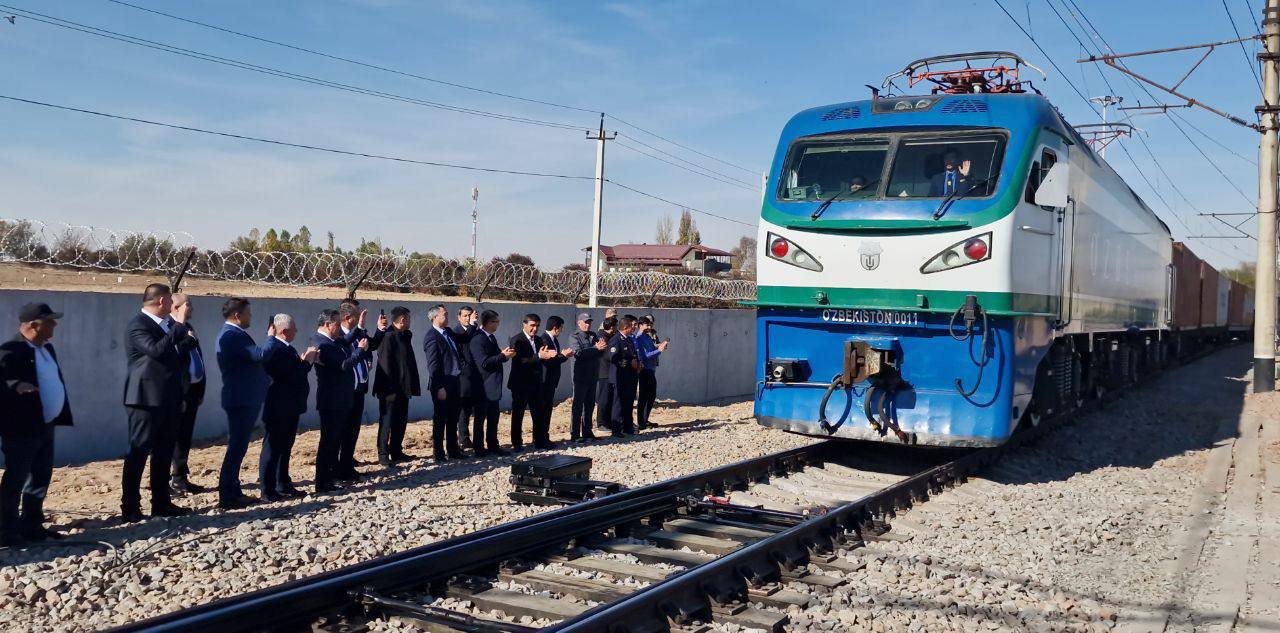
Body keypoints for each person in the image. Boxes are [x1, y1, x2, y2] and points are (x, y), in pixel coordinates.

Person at [122, 283, 196, 522]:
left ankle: (161, 503)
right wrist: (181, 326)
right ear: (163, 302)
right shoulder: (138, 325)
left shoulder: (165, 326)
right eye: (170, 302)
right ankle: (130, 506)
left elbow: (172, 354)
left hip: (168, 398)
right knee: (139, 451)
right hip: (145, 398)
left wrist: (187, 341)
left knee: (164, 452)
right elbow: (155, 350)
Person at [0, 303, 72, 546]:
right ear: (33, 325)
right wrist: (16, 386)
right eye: (50, 321)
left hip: (45, 424)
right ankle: (7, 530)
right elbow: (4, 380)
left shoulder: (46, 349)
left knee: (40, 476)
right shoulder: (12, 351)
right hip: (22, 428)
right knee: (16, 478)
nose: (55, 325)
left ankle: (32, 524)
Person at [214, 298, 271, 510]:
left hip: (244, 397)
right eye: (248, 313)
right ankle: (228, 494)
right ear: (237, 315)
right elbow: (259, 354)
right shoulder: (231, 336)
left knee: (239, 446)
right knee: (236, 447)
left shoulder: (234, 335)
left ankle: (232, 490)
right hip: (240, 398)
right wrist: (272, 338)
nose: (250, 317)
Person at [260, 314, 317, 500]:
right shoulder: (275, 349)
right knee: (273, 448)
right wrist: (307, 361)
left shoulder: (286, 348)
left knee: (285, 447)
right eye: (293, 329)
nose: (297, 331)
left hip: (290, 406)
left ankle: (282, 482)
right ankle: (268, 489)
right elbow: (290, 375)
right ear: (284, 331)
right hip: (279, 407)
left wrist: (302, 362)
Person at [312, 309, 368, 494]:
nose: (340, 328)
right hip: (332, 400)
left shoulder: (330, 340)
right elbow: (343, 365)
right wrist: (360, 350)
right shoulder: (323, 344)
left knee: (333, 441)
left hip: (339, 399)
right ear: (328, 324)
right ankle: (323, 481)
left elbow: (344, 341)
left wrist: (359, 327)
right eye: (337, 324)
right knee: (328, 443)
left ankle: (329, 477)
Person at [337, 302, 386, 481]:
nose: (360, 319)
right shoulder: (338, 335)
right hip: (345, 391)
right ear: (347, 318)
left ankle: (348, 464)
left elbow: (371, 345)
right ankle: (340, 467)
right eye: (357, 316)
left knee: (353, 430)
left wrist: (379, 330)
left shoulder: (359, 332)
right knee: (343, 430)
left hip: (359, 388)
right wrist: (359, 329)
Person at [169, 293, 209, 495]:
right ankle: (173, 480)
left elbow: (197, 358)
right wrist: (187, 341)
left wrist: (200, 387)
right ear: (175, 307)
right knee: (174, 437)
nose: (191, 308)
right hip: (177, 393)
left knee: (185, 437)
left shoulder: (189, 328)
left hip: (192, 391)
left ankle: (181, 476)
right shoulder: (169, 328)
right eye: (187, 305)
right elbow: (172, 354)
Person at [374, 306, 421, 466]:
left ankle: (396, 451)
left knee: (401, 421)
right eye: (408, 319)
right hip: (389, 389)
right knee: (387, 422)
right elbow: (385, 364)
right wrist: (390, 388)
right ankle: (383, 454)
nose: (410, 322)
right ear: (402, 320)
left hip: (403, 388)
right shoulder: (388, 336)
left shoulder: (403, 335)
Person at [507, 314, 558, 451]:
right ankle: (517, 443)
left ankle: (539, 441)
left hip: (536, 383)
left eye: (537, 326)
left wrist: (549, 356)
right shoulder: (517, 340)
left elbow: (542, 358)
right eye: (532, 325)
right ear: (524, 324)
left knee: (538, 413)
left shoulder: (539, 340)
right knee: (518, 414)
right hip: (520, 384)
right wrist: (539, 356)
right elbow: (521, 360)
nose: (534, 329)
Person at [422, 304, 465, 462]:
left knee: (453, 417)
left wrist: (473, 325)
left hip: (454, 381)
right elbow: (433, 365)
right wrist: (439, 386)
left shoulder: (449, 332)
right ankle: (438, 453)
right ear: (435, 317)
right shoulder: (431, 337)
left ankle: (453, 450)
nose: (447, 317)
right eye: (444, 315)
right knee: (440, 419)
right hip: (442, 384)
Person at [468, 310, 514, 457]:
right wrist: (502, 356)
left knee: (493, 418)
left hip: (493, 385)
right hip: (483, 385)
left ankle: (493, 445)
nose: (497, 324)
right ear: (487, 323)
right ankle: (479, 448)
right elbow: (484, 362)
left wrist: (504, 355)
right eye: (495, 321)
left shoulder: (490, 337)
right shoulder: (478, 339)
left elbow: (494, 358)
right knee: (480, 419)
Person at [534, 316, 574, 449]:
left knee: (547, 410)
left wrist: (561, 356)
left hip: (551, 381)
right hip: (545, 381)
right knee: (543, 411)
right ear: (555, 328)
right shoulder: (544, 340)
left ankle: (544, 437)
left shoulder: (553, 340)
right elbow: (548, 360)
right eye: (561, 328)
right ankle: (540, 439)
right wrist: (563, 356)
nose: (561, 331)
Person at [569, 312, 606, 442]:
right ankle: (574, 434)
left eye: (589, 322)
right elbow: (578, 354)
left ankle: (587, 431)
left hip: (592, 374)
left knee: (590, 405)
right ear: (579, 323)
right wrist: (595, 348)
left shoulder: (593, 335)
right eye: (585, 322)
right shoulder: (575, 336)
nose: (588, 324)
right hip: (580, 376)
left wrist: (601, 349)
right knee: (578, 405)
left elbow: (599, 353)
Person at [608, 315, 642, 437]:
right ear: (626, 327)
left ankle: (627, 427)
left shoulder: (628, 339)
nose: (634, 328)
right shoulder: (616, 339)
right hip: (620, 377)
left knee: (628, 402)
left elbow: (632, 355)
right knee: (618, 404)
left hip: (630, 376)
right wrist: (628, 363)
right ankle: (616, 430)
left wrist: (637, 363)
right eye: (632, 326)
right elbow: (613, 358)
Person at [634, 316, 669, 430]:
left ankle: (645, 419)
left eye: (650, 325)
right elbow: (644, 356)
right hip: (644, 369)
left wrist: (660, 346)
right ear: (640, 325)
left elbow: (651, 349)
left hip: (651, 368)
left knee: (651, 395)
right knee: (644, 396)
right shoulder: (638, 338)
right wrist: (659, 351)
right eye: (647, 325)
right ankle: (641, 421)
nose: (649, 327)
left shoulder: (647, 337)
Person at [452, 306, 479, 450]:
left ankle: (469, 438)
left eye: (470, 315)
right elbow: (465, 340)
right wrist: (473, 325)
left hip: (475, 374)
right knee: (463, 408)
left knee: (471, 408)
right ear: (459, 317)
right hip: (463, 375)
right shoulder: (457, 332)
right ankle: (463, 438)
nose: (468, 318)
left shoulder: (474, 330)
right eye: (465, 316)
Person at [594, 316, 618, 434]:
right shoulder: (601, 336)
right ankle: (601, 423)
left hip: (610, 371)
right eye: (616, 326)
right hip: (604, 371)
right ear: (612, 327)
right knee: (603, 398)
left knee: (610, 398)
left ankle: (608, 422)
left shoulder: (611, 336)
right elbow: (607, 352)